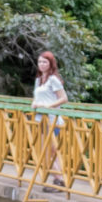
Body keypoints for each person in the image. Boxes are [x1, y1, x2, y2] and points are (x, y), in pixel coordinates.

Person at [32, 50, 69, 186]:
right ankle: (58, 179)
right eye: (40, 61)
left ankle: (59, 179)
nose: (42, 64)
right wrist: (35, 104)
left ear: (50, 64)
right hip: (41, 120)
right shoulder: (39, 80)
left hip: (52, 120)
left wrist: (48, 106)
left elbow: (64, 99)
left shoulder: (53, 80)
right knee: (49, 151)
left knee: (48, 152)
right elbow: (37, 98)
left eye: (45, 62)